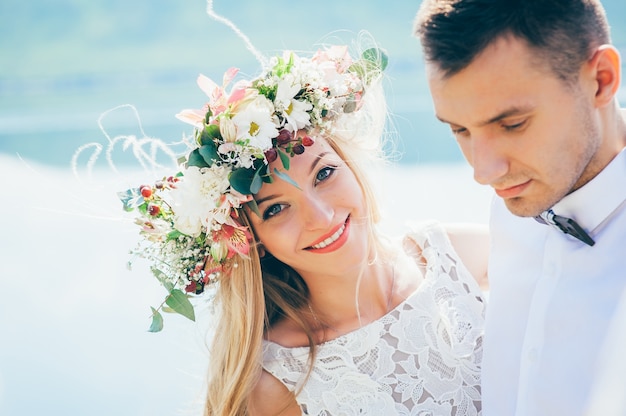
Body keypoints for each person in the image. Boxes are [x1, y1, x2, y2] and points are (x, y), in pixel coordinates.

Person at [118, 41, 489, 415]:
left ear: (350, 165)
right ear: (252, 240)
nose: (321, 217)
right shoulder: (276, 387)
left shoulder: (460, 258)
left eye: (324, 173)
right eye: (277, 208)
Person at [413, 0, 626, 415]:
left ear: (601, 80)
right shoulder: (520, 194)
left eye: (512, 125)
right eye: (460, 129)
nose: (483, 171)